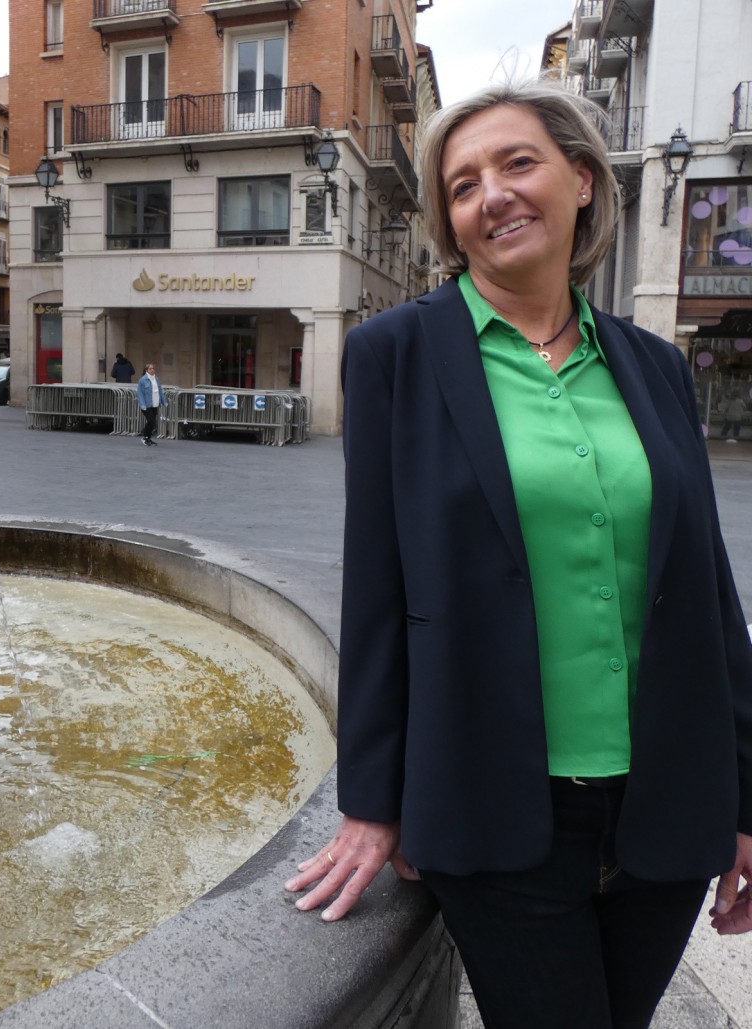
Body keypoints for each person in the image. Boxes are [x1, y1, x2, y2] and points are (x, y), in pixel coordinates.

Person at [284, 79, 752, 1029]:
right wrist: (373, 798)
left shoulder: (654, 365)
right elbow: (378, 588)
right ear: (451, 226)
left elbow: (707, 588)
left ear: (582, 181)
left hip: (668, 803)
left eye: (517, 163)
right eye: (462, 185)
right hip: (497, 812)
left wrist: (746, 795)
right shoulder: (395, 356)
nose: (491, 194)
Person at [136, 362, 166, 446]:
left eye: (153, 368)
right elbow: (140, 393)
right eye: (150, 368)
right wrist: (142, 404)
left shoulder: (156, 379)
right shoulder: (143, 380)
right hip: (147, 404)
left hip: (155, 403)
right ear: (146, 370)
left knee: (153, 422)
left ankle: (148, 438)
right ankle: (145, 437)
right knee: (150, 420)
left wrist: (164, 401)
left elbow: (160, 391)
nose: (152, 370)